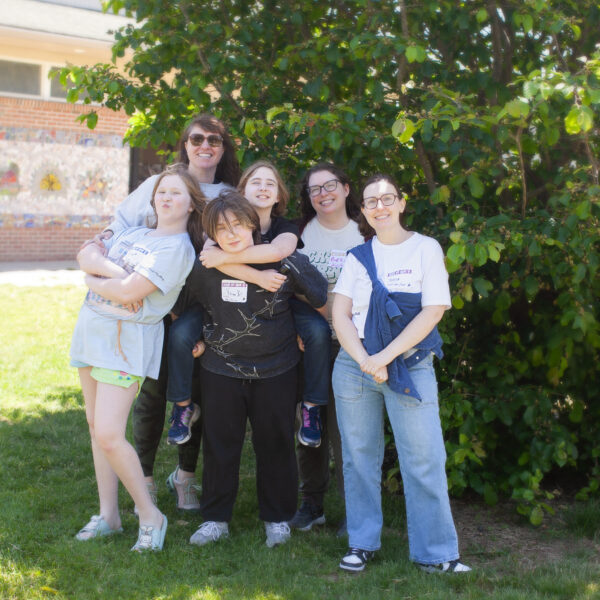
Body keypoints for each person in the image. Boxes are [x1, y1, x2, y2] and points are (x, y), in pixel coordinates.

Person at [86, 113, 241, 513]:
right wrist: (112, 263)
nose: (205, 146)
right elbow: (121, 223)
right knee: (153, 392)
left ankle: (185, 476)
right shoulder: (163, 184)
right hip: (154, 298)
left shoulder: (230, 192)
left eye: (214, 140)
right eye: (197, 138)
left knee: (198, 391)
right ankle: (145, 478)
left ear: (223, 148)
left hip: (206, 305)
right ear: (185, 144)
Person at [331, 173, 471, 573]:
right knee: (358, 458)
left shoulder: (426, 249)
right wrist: (364, 360)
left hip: (409, 365)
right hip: (355, 367)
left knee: (424, 458)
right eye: (371, 202)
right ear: (363, 211)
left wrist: (384, 358)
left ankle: (437, 554)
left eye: (387, 198)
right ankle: (361, 543)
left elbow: (433, 311)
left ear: (402, 203)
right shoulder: (357, 257)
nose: (380, 207)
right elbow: (340, 314)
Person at [173, 191, 328, 548]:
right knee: (220, 444)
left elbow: (319, 294)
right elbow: (182, 305)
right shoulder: (205, 266)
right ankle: (215, 519)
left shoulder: (280, 260)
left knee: (275, 443)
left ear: (253, 225)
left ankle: (277, 518)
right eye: (221, 228)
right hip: (221, 368)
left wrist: (296, 276)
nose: (231, 235)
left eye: (238, 225)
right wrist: (197, 338)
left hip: (276, 366)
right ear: (211, 233)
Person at [70, 165, 205, 551]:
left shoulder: (177, 248)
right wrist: (111, 276)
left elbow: (132, 292)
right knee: (96, 427)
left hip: (125, 343)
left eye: (176, 193)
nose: (166, 198)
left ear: (191, 204)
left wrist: (97, 280)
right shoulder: (135, 232)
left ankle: (150, 515)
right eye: (162, 191)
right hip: (92, 331)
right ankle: (109, 516)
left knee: (109, 433)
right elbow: (86, 254)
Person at [165, 160, 299, 445]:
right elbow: (208, 258)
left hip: (274, 310)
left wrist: (225, 258)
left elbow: (276, 252)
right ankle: (182, 405)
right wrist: (256, 275)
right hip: (213, 304)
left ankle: (309, 404)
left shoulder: (284, 227)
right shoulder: (221, 217)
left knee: (314, 331)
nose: (263, 188)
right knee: (180, 334)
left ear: (279, 195)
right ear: (241, 191)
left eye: (270, 183)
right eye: (255, 182)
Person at [288, 163, 363, 534]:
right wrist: (296, 327)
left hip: (353, 346)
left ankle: (356, 511)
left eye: (329, 185)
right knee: (310, 423)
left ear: (346, 188)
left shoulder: (365, 232)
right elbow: (286, 285)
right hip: (309, 345)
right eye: (314, 189)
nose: (323, 193)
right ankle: (312, 504)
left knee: (347, 432)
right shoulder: (299, 233)